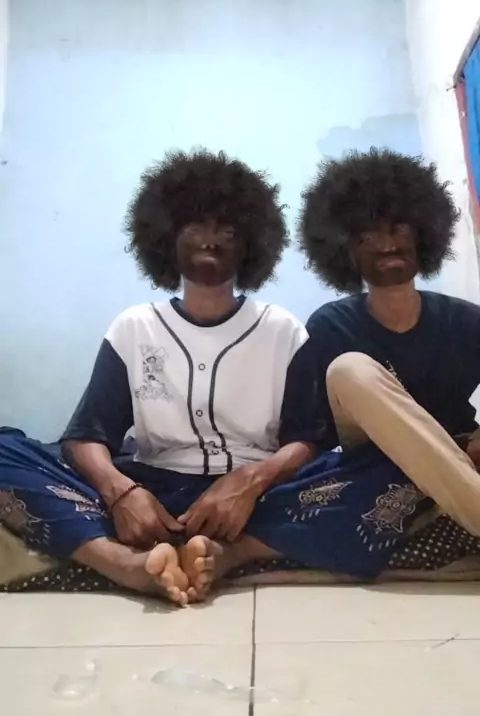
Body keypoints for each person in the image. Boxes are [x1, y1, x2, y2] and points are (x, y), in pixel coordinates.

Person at [1, 147, 478, 604]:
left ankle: (231, 553)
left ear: (252, 245)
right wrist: (121, 492)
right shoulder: (134, 327)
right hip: (150, 487)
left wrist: (251, 481)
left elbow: (308, 439)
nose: (211, 239)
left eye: (227, 231)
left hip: (264, 498)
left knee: (387, 465)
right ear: (165, 239)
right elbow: (87, 434)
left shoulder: (282, 330)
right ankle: (124, 564)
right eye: (195, 227)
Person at [291, 146, 480, 542]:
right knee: (350, 368)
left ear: (423, 235)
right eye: (367, 236)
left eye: (399, 230)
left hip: (459, 451)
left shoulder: (464, 320)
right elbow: (316, 435)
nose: (388, 245)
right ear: (345, 253)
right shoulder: (331, 326)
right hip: (370, 457)